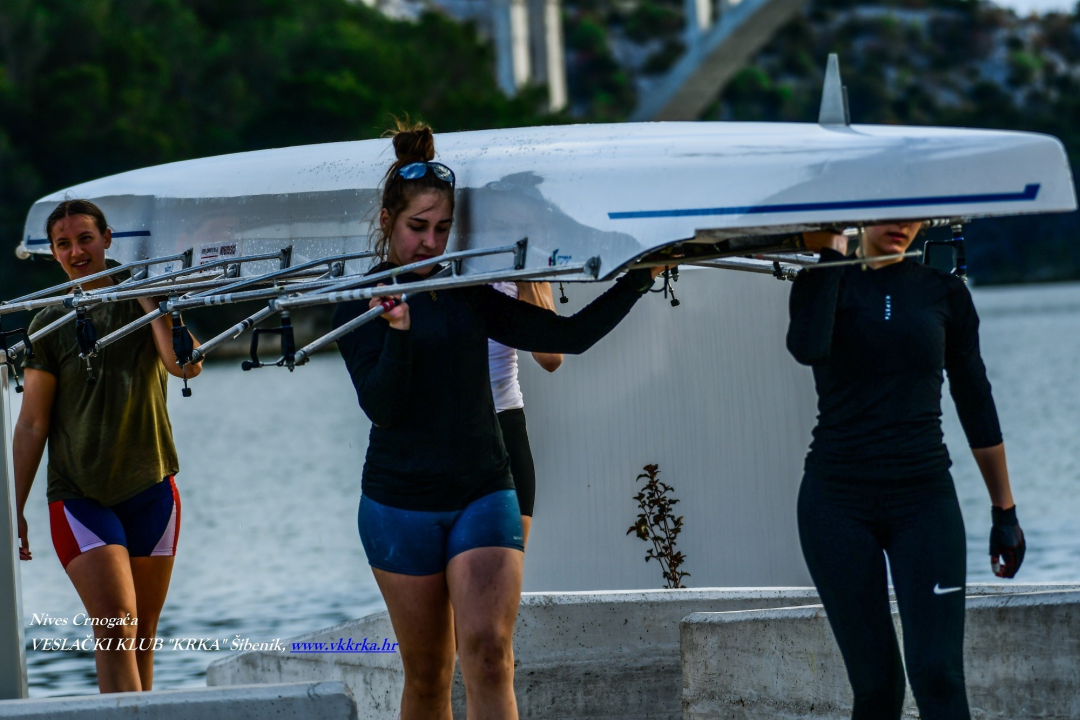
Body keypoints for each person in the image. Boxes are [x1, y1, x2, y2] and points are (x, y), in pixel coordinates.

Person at [333, 121, 662, 720]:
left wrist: (639, 278)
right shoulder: (358, 301)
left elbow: (568, 338)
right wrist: (398, 332)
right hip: (399, 502)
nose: (431, 242)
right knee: (429, 675)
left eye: (441, 229)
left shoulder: (470, 291)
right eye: (417, 228)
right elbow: (383, 406)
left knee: (488, 655)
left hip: (484, 489)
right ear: (387, 222)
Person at [787, 223, 1026, 719]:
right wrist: (832, 253)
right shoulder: (820, 282)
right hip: (836, 504)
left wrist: (1004, 511)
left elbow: (975, 400)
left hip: (923, 499)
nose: (902, 222)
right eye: (888, 209)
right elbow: (807, 347)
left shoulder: (944, 292)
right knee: (878, 687)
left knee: (938, 675)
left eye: (912, 211)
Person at [14, 199, 202, 693]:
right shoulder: (48, 323)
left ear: (107, 239)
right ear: (53, 252)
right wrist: (12, 509)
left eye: (85, 239)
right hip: (81, 497)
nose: (76, 251)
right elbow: (31, 425)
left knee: (142, 637)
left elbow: (185, 365)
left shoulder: (146, 297)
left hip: (153, 489)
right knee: (116, 628)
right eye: (63, 244)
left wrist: (150, 300)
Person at [487, 281, 562, 546]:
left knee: (509, 556)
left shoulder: (522, 272)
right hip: (454, 423)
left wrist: (527, 285)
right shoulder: (438, 268)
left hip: (506, 423)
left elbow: (551, 358)